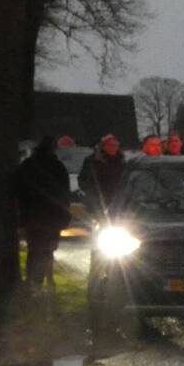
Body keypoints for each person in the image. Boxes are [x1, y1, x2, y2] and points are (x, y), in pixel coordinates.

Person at [79, 134, 127, 346]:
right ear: (102, 145)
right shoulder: (92, 162)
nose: (113, 148)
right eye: (109, 145)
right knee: (99, 258)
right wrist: (95, 207)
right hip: (99, 213)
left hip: (119, 213)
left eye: (115, 145)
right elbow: (86, 185)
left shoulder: (122, 163)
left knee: (118, 259)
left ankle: (114, 296)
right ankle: (96, 298)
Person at [16, 136, 71, 294]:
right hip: (51, 215)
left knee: (34, 249)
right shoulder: (57, 167)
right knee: (48, 249)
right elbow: (63, 193)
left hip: (33, 215)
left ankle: (34, 281)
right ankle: (44, 279)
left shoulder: (28, 165)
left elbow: (19, 190)